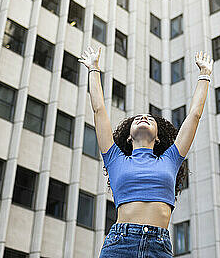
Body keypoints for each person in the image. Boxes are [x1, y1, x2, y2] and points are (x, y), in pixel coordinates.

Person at [78, 46, 213, 257]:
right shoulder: (114, 158)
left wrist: (204, 75)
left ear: (158, 137)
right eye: (138, 118)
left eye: (150, 119)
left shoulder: (171, 158)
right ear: (128, 136)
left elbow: (194, 116)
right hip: (120, 244)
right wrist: (93, 69)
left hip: (158, 246)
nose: (144, 118)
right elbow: (99, 110)